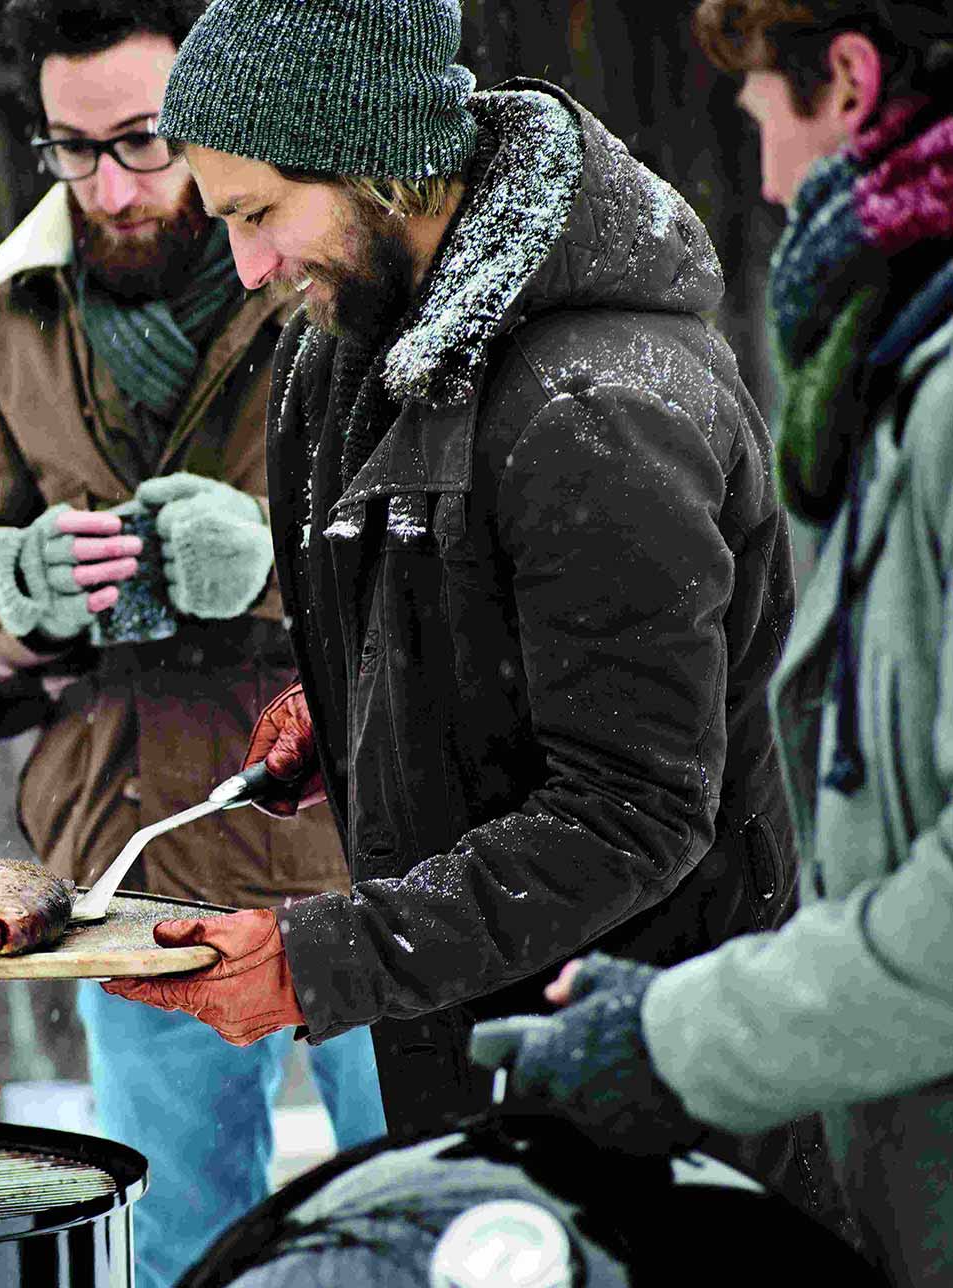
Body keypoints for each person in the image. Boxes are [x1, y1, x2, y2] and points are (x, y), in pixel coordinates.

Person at [98, 0, 848, 1226]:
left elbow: (634, 809)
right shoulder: (343, 348)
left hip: (653, 1100)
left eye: (258, 213)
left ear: (384, 163)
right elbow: (463, 617)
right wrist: (350, 710)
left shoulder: (601, 409)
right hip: (468, 1075)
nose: (245, 268)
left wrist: (315, 963)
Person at [467, 4, 953, 1282]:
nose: (769, 182)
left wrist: (675, 1038)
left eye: (759, 120)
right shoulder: (903, 374)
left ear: (848, 80)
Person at [0, 2, 384, 1281]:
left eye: (142, 141)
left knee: (428, 1203)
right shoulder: (14, 312)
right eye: (72, 151)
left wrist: (272, 561)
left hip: (356, 831)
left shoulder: (325, 266)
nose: (109, 187)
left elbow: (438, 543)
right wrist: (17, 596)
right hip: (140, 854)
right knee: (180, 1249)